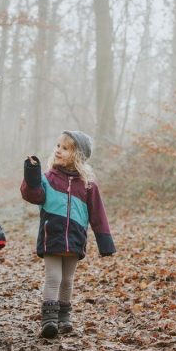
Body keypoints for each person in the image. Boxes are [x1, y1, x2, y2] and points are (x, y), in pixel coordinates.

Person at [20, 131, 115, 338]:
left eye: (65, 148)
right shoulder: (48, 179)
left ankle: (64, 319)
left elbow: (98, 214)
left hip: (75, 237)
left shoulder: (88, 184)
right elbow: (32, 195)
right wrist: (32, 175)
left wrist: (104, 241)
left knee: (68, 279)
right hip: (51, 235)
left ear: (78, 155)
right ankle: (49, 321)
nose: (58, 150)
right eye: (58, 146)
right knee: (53, 277)